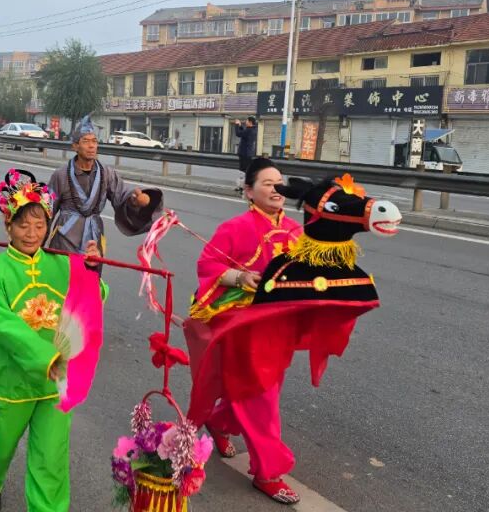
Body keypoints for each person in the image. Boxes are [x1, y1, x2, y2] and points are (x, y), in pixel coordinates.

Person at [0, 170, 104, 512]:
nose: (31, 234)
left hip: (55, 384)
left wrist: (89, 272)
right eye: (23, 225)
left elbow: (93, 300)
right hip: (8, 380)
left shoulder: (63, 264)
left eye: (39, 225)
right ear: (8, 226)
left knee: (51, 458)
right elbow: (3, 323)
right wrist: (46, 357)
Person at [184, 157, 303, 504]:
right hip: (242, 327)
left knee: (259, 389)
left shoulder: (296, 232)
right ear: (249, 192)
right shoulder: (235, 228)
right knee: (261, 397)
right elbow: (207, 264)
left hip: (278, 327)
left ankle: (218, 423)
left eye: (279, 182)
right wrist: (240, 277)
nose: (276, 188)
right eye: (267, 183)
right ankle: (268, 472)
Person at [46, 116, 163, 257]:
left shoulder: (107, 173)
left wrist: (134, 201)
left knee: (92, 270)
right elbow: (47, 210)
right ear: (75, 146)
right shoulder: (60, 175)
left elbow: (122, 194)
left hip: (93, 239)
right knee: (64, 270)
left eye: (94, 141)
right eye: (85, 141)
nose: (91, 146)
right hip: (64, 239)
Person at [234, 116, 258, 193]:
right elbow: (243, 133)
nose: (245, 122)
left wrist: (237, 125)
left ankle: (242, 187)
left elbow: (238, 134)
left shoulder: (249, 130)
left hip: (244, 153)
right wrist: (240, 126)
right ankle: (242, 186)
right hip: (248, 153)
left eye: (247, 121)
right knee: (245, 170)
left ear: (250, 122)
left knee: (243, 170)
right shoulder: (253, 129)